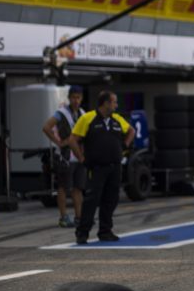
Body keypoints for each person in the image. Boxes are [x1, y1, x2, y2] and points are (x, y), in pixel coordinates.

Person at [69, 91, 135, 245]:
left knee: (111, 200)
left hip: (115, 167)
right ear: (105, 103)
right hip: (96, 167)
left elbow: (132, 131)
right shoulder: (87, 118)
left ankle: (105, 231)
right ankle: (82, 233)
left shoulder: (117, 119)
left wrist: (124, 146)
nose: (116, 105)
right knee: (91, 200)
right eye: (114, 102)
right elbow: (73, 140)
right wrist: (81, 158)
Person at [42, 85, 86, 228]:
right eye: (73, 97)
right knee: (63, 187)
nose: (76, 100)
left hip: (79, 156)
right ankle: (64, 217)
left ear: (82, 98)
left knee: (78, 188)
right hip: (65, 156)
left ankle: (79, 217)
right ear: (69, 98)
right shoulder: (61, 113)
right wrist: (58, 142)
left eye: (78, 97)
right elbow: (46, 127)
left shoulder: (82, 113)